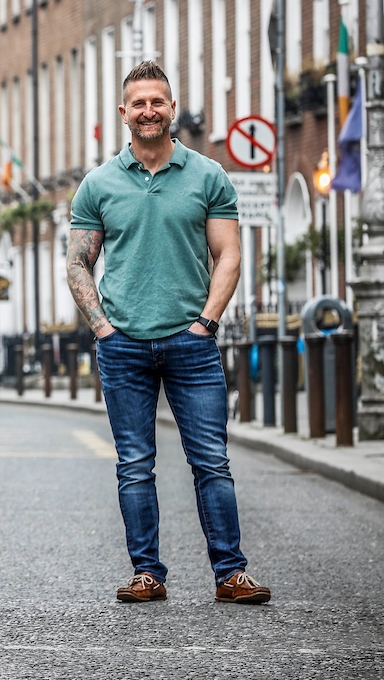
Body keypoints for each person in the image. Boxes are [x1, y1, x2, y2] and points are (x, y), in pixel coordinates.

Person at [66, 60, 270, 605]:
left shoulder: (207, 175)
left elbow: (228, 255)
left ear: (172, 108)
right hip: (123, 345)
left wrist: (207, 322)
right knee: (135, 465)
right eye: (139, 103)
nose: (148, 111)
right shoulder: (99, 184)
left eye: (158, 101)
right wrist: (103, 328)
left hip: (192, 343)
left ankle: (231, 574)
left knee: (211, 461)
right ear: (124, 112)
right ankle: (146, 574)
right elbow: (78, 263)